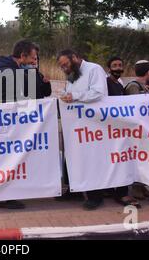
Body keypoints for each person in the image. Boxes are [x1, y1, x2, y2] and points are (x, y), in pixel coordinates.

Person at [0, 39, 42, 209]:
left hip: (10, 121)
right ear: (22, 56)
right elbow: (22, 95)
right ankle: (6, 197)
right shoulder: (7, 72)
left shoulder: (11, 69)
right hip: (7, 123)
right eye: (33, 58)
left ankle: (8, 195)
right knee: (7, 160)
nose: (34, 62)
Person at [56, 49, 108, 210]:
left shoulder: (94, 69)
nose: (64, 69)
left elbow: (98, 93)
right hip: (76, 124)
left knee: (91, 159)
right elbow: (72, 93)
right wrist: (65, 95)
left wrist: (75, 96)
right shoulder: (73, 74)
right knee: (73, 156)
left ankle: (95, 197)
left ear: (75, 58)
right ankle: (74, 191)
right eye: (62, 66)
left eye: (66, 64)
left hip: (93, 124)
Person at [106, 57, 141, 208]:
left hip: (120, 131)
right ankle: (120, 193)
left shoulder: (120, 85)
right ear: (109, 68)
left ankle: (119, 190)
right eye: (114, 65)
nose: (118, 68)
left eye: (120, 65)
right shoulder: (106, 84)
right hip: (108, 130)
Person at [124, 60, 149, 200]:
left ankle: (141, 186)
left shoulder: (142, 86)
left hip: (143, 130)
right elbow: (135, 110)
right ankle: (136, 187)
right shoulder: (133, 87)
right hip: (136, 131)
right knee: (136, 158)